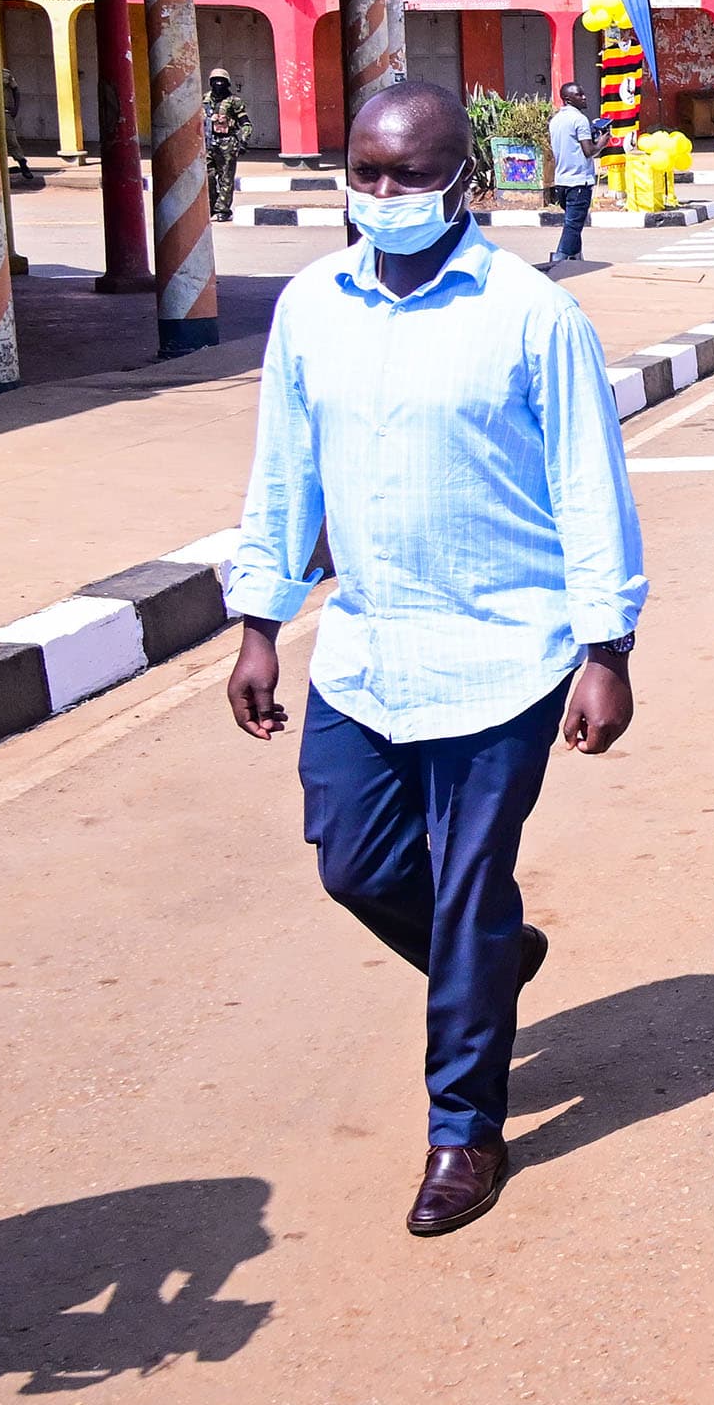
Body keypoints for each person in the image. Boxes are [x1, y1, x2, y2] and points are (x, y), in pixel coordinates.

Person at [223, 79, 644, 1238]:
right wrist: (260, 622)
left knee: (465, 890)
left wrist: (605, 645)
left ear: (465, 178)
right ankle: (497, 960)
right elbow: (281, 477)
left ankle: (463, 1127)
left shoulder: (530, 314)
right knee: (354, 864)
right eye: (363, 172)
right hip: (362, 649)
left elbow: (587, 489)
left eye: (406, 174)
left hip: (506, 653)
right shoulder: (311, 307)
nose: (381, 194)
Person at [546, 82, 603, 268]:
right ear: (568, 99)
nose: (584, 97)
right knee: (572, 225)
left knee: (573, 222)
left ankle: (577, 261)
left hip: (561, 181)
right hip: (579, 181)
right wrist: (602, 142)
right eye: (580, 95)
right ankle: (559, 262)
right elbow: (589, 151)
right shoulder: (580, 120)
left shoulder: (555, 120)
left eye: (583, 93)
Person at [204, 67, 251, 224]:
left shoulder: (234, 101)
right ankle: (212, 205)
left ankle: (223, 210)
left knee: (226, 179)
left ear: (227, 83)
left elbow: (245, 123)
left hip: (227, 144)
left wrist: (243, 140)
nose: (218, 83)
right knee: (208, 177)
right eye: (215, 81)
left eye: (222, 81)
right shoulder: (204, 100)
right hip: (209, 143)